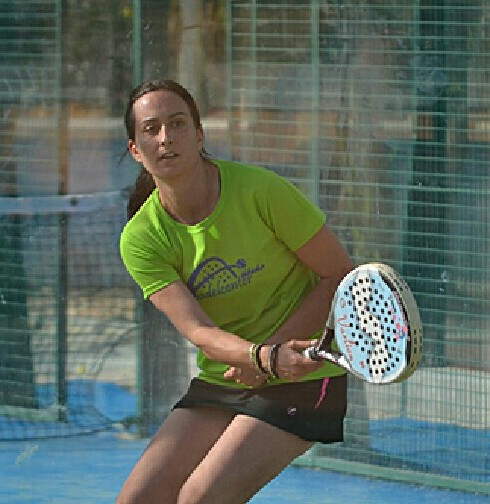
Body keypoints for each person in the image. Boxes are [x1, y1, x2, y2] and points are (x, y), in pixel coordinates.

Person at [117, 79, 353, 504]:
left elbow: (339, 275)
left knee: (200, 498)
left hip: (307, 375)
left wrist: (271, 357)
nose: (166, 137)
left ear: (199, 135)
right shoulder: (141, 238)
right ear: (136, 149)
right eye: (151, 129)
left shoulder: (261, 191)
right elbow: (198, 331)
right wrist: (259, 358)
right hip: (229, 375)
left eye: (178, 123)